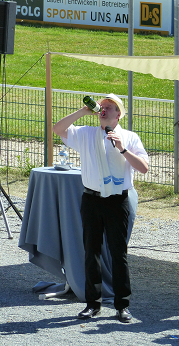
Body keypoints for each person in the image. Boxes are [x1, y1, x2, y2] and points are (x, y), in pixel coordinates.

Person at [53, 93, 149, 323]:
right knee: (91, 252)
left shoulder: (129, 137)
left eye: (109, 106)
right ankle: (92, 304)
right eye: (101, 105)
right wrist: (82, 112)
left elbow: (144, 168)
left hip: (117, 200)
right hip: (92, 199)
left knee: (119, 254)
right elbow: (58, 129)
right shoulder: (86, 132)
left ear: (118, 114)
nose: (103, 108)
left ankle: (122, 306)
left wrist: (123, 149)